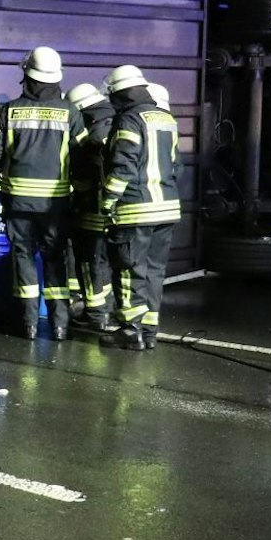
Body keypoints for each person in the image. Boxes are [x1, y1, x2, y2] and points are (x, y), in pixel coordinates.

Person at [0, 46, 84, 339]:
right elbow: (84, 153)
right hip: (55, 204)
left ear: (27, 76)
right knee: (55, 259)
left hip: (18, 201)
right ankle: (60, 325)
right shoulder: (71, 113)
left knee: (24, 258)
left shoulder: (10, 110)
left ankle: (28, 324)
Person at [100, 66, 182, 351]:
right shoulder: (165, 118)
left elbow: (123, 165)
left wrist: (107, 200)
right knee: (154, 271)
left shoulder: (129, 120)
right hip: (167, 208)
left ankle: (129, 329)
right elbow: (175, 165)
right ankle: (149, 330)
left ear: (121, 94)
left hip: (136, 208)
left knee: (128, 268)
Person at [63, 81, 118, 332]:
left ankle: (95, 313)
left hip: (94, 209)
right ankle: (108, 307)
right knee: (108, 261)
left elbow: (84, 179)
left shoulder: (91, 137)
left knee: (90, 260)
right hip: (120, 212)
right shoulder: (118, 125)